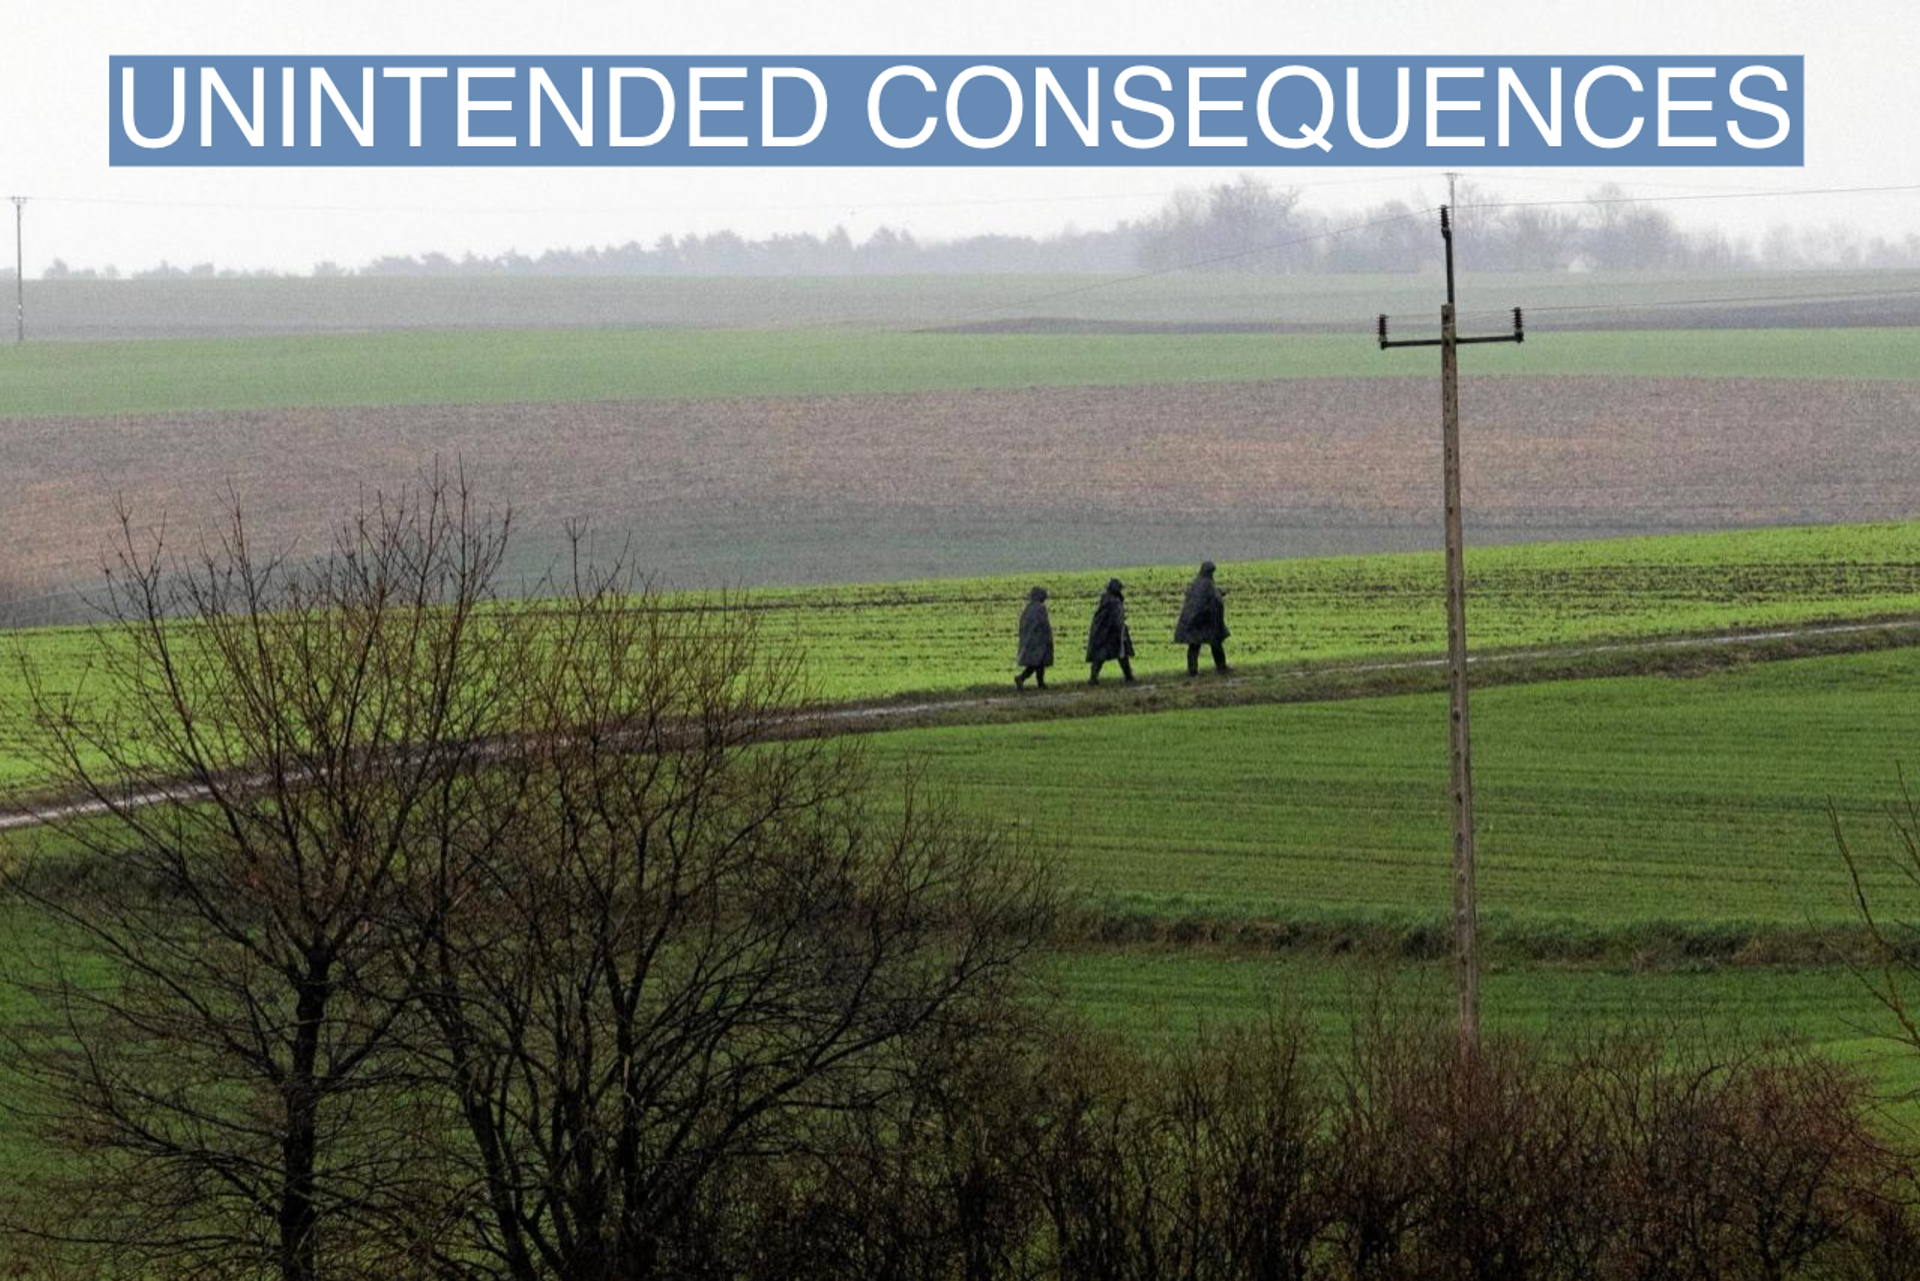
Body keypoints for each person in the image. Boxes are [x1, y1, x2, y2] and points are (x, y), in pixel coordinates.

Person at [1174, 560, 1231, 676]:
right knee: (1215, 643)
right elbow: (1213, 599)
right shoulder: (1207, 584)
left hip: (1197, 620)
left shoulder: (1197, 583)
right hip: (1202, 621)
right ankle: (1221, 667)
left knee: (1194, 645)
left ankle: (1193, 670)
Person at [1086, 578, 1136, 684]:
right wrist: (1121, 630)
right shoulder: (1114, 602)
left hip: (1105, 633)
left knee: (1102, 657)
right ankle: (1128, 676)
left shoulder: (1106, 600)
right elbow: (1117, 619)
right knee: (1120, 655)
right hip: (1112, 633)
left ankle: (1093, 678)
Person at [1015, 586, 1053, 689]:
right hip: (1039, 641)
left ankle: (1040, 682)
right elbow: (1043, 624)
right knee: (1038, 663)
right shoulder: (1040, 608)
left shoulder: (1028, 608)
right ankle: (1022, 678)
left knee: (1038, 663)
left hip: (1030, 640)